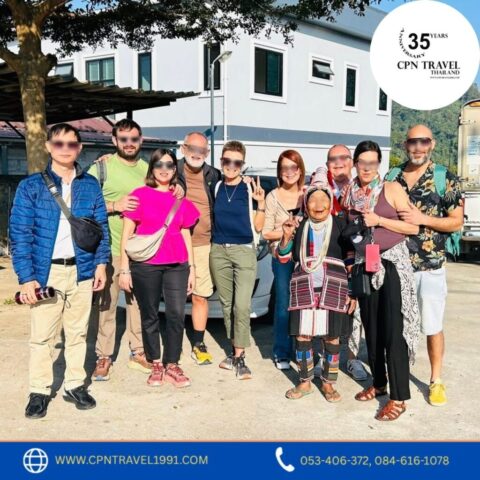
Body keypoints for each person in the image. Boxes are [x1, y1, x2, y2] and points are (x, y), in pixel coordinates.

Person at [10, 123, 110, 419]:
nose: (65, 149)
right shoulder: (31, 186)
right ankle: (39, 390)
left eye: (71, 144)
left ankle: (75, 385)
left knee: (78, 333)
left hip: (82, 270)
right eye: (59, 143)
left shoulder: (90, 184)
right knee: (42, 336)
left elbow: (101, 228)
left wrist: (101, 263)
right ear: (48, 147)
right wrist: (27, 278)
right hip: (46, 273)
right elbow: (20, 234)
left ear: (80, 148)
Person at [89, 119, 185, 381]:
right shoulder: (102, 167)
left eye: (134, 139)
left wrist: (176, 188)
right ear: (114, 141)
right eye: (123, 139)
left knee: (140, 305)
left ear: (141, 140)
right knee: (107, 305)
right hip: (109, 248)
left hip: (143, 251)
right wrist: (114, 205)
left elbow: (164, 193)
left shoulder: (147, 169)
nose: (129, 143)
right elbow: (84, 203)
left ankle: (139, 351)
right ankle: (104, 356)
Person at [341, 140, 420, 421]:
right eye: (362, 162)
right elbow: (349, 232)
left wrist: (380, 221)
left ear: (378, 165)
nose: (367, 168)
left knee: (393, 330)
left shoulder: (391, 188)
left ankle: (399, 397)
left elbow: (413, 227)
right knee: (372, 328)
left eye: (372, 163)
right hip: (365, 263)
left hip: (392, 263)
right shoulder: (350, 193)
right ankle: (378, 383)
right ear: (355, 164)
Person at [387, 125, 463, 407]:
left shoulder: (444, 178)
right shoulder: (392, 177)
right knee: (396, 326)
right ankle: (396, 377)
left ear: (432, 144)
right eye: (412, 142)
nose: (418, 147)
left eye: (423, 142)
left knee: (432, 325)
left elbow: (456, 221)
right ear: (405, 145)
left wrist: (423, 219)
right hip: (396, 264)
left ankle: (436, 380)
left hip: (430, 266)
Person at [119, 149, 199, 388]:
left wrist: (192, 268)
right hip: (146, 265)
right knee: (150, 315)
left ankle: (172, 363)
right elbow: (127, 233)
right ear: (152, 168)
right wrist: (124, 268)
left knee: (176, 314)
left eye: (169, 165)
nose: (164, 169)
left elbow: (186, 233)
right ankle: (155, 362)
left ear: (175, 170)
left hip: (177, 264)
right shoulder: (139, 195)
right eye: (159, 165)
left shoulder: (180, 199)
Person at [277, 167, 356, 402]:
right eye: (313, 199)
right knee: (303, 336)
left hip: (335, 287)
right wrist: (286, 236)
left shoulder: (340, 225)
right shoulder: (299, 225)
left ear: (330, 202)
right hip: (304, 285)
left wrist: (352, 292)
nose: (318, 204)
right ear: (306, 203)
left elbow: (351, 259)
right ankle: (305, 382)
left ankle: (328, 384)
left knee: (332, 338)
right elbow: (284, 257)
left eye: (324, 199)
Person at [209, 140, 265, 379]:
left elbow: (259, 227)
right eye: (227, 161)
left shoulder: (249, 188)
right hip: (218, 250)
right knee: (227, 305)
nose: (231, 166)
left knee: (242, 305)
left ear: (242, 164)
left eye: (237, 162)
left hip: (243, 251)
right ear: (221, 161)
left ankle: (240, 357)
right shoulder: (216, 186)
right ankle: (234, 353)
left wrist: (261, 204)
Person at [177, 132, 221, 365]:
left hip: (203, 245)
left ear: (207, 153)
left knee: (199, 296)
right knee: (174, 297)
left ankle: (198, 342)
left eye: (201, 150)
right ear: (183, 149)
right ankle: (172, 345)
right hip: (174, 244)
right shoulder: (170, 170)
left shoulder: (214, 175)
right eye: (192, 148)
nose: (196, 153)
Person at [325, 144, 368, 381]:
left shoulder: (361, 188)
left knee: (356, 308)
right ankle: (324, 357)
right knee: (326, 306)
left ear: (351, 162)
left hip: (356, 255)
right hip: (329, 255)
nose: (338, 163)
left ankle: (352, 358)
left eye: (343, 158)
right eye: (333, 159)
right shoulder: (321, 186)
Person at [262, 150, 305, 370]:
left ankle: (303, 351)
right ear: (279, 172)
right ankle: (282, 352)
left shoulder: (307, 194)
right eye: (284, 168)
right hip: (282, 258)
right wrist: (287, 231)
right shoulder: (273, 197)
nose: (289, 172)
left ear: (300, 170)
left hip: (306, 258)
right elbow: (266, 232)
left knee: (305, 304)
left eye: (293, 167)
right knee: (283, 304)